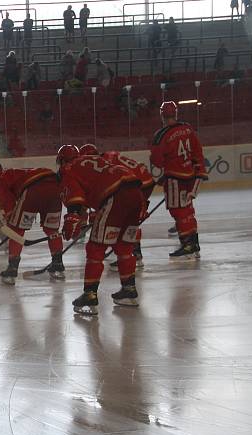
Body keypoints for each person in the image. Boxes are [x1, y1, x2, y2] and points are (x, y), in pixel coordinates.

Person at [56, 145, 145, 315]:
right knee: (124, 246)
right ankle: (129, 290)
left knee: (96, 247)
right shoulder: (94, 160)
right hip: (135, 193)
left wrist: (72, 218)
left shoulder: (67, 170)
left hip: (114, 195)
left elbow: (76, 200)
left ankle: (90, 295)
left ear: (61, 160)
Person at [150, 101, 207, 259]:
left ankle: (187, 244)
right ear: (176, 113)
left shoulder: (162, 135)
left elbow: (156, 160)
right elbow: (197, 151)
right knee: (188, 209)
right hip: (189, 175)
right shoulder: (188, 128)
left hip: (174, 179)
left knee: (178, 211)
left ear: (162, 115)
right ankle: (194, 243)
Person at [0, 167, 64, 285]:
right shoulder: (24, 171)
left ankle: (12, 268)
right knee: (52, 230)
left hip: (33, 191)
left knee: (17, 230)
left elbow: (7, 200)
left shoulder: (0, 180)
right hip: (55, 190)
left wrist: (10, 216)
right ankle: (58, 265)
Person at [94, 146, 155, 269]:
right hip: (143, 182)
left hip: (137, 185)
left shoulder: (104, 163)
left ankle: (134, 254)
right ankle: (134, 253)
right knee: (130, 219)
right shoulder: (108, 156)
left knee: (126, 219)